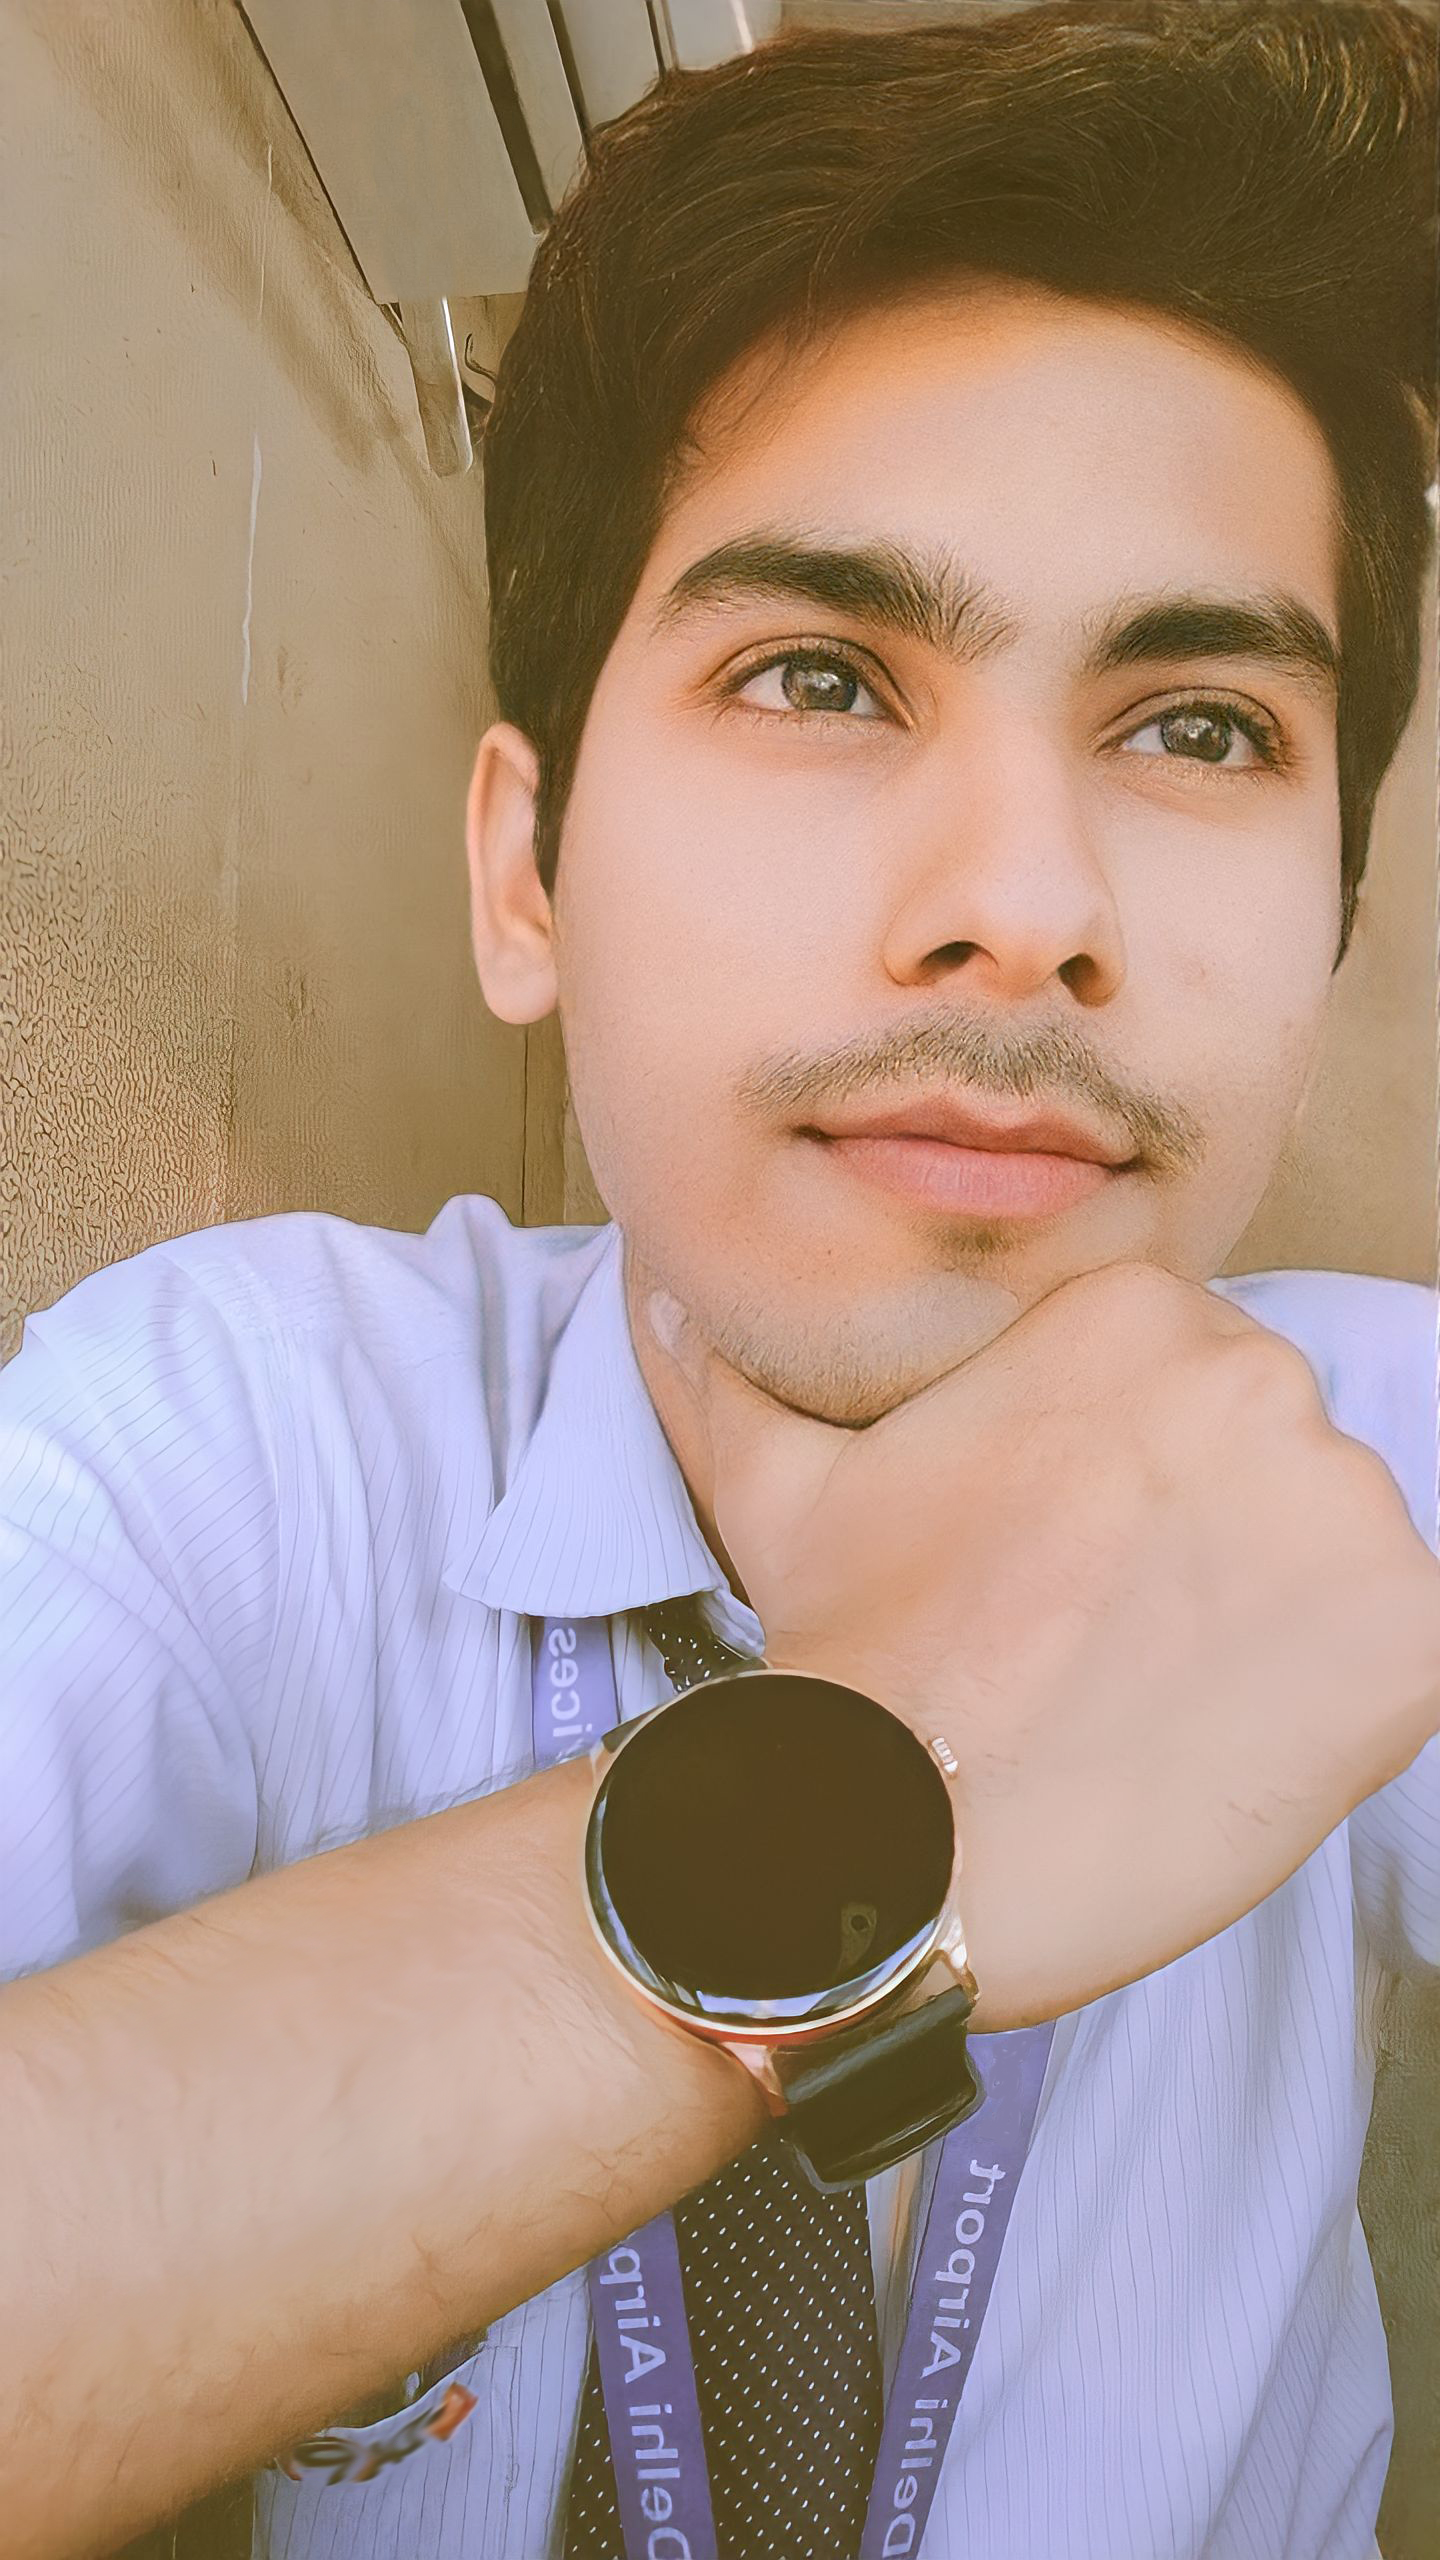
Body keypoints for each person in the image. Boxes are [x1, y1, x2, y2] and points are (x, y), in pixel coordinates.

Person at [2, 3, 1438, 2556]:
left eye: (1202, 726)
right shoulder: (224, 1441)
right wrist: (836, 1805)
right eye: (819, 675)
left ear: (1324, 931)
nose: (1029, 900)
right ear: (524, 875)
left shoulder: (1387, 1470)